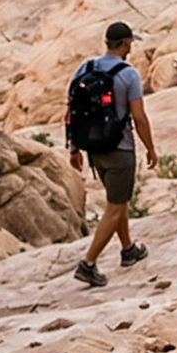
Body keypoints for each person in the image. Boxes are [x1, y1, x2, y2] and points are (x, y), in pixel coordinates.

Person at [66, 20, 157, 286]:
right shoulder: (129, 75)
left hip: (94, 150)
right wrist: (151, 147)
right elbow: (139, 118)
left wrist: (74, 147)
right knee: (115, 207)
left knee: (119, 201)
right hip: (120, 149)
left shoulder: (85, 68)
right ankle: (88, 264)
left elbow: (71, 110)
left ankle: (128, 250)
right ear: (127, 43)